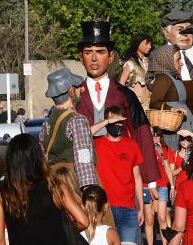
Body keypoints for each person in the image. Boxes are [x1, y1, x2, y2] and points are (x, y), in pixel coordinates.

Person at [75, 20, 157, 182]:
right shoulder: (73, 96)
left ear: (111, 56)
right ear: (80, 57)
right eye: (88, 52)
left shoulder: (125, 95)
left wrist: (151, 181)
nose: (93, 58)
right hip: (84, 177)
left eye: (100, 52)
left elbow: (141, 134)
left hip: (122, 177)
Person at [94, 106, 146, 245]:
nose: (117, 127)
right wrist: (106, 121)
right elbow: (84, 134)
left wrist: (141, 205)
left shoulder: (131, 145)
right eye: (114, 123)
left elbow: (137, 177)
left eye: (120, 123)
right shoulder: (97, 144)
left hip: (127, 207)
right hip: (104, 208)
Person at [40, 67, 99, 191]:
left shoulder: (47, 124)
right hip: (73, 184)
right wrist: (90, 191)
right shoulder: (77, 120)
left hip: (54, 186)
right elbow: (84, 159)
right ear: (71, 90)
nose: (81, 90)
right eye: (77, 87)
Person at [147, 44, 193, 152]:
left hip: (184, 122)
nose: (181, 63)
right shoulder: (162, 78)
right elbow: (154, 103)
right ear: (167, 61)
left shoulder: (174, 77)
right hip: (174, 128)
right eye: (178, 59)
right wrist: (172, 109)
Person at [147, 128, 172, 245]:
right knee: (149, 220)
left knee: (162, 218)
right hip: (148, 185)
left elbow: (167, 167)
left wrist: (172, 186)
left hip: (161, 185)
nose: (155, 138)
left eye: (158, 136)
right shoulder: (145, 148)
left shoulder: (163, 149)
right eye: (153, 135)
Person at [119, 34, 153, 109]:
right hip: (135, 102)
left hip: (148, 103)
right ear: (137, 43)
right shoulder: (131, 62)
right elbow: (121, 83)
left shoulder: (148, 62)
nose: (149, 47)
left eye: (150, 44)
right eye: (146, 43)